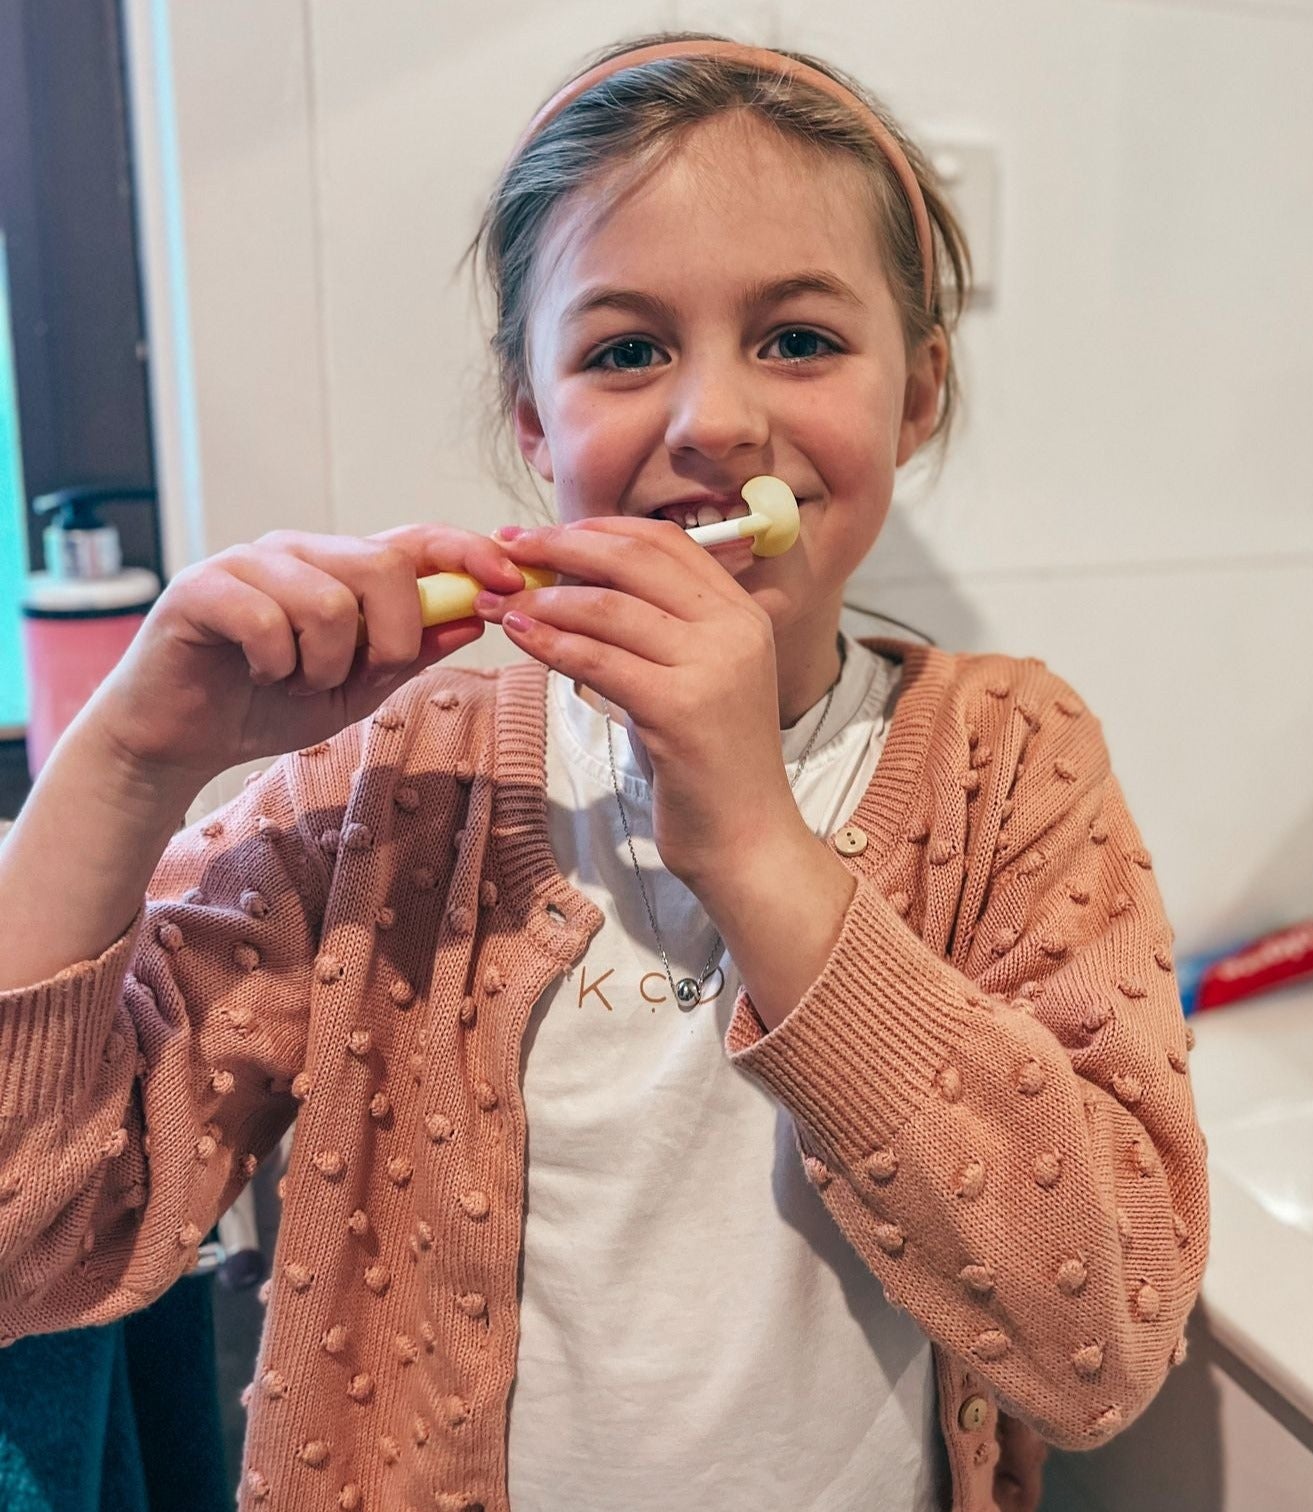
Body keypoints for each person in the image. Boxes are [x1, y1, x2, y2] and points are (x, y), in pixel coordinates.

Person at [0, 32, 1209, 1512]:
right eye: (627, 351)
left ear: (918, 395)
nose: (714, 422)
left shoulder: (1010, 763)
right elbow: (28, 1244)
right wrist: (130, 759)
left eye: (799, 339)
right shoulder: (402, 785)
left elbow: (1105, 1349)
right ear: (535, 419)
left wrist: (757, 847)